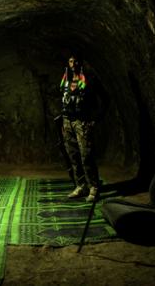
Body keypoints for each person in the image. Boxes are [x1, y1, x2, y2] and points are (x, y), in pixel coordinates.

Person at [60, 55, 109, 201]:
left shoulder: (89, 79)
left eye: (75, 60)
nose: (73, 63)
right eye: (70, 61)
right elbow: (64, 100)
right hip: (68, 121)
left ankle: (94, 186)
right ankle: (81, 185)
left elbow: (105, 98)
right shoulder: (66, 80)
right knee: (73, 155)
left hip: (82, 122)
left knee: (86, 155)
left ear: (80, 62)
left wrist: (96, 118)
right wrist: (63, 121)